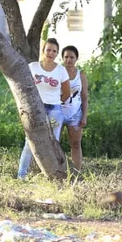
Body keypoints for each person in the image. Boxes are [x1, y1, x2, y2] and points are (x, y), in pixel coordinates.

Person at [17, 38, 70, 178]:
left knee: (53, 143)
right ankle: (21, 175)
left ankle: (54, 175)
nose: (51, 53)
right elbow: (23, 86)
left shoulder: (61, 70)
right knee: (30, 143)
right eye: (48, 50)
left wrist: (56, 102)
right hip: (35, 109)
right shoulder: (33, 67)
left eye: (54, 51)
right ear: (43, 50)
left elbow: (66, 93)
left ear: (57, 53)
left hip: (54, 110)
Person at [60, 45, 89, 172]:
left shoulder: (80, 74)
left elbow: (84, 97)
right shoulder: (57, 72)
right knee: (54, 143)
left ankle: (77, 171)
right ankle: (57, 170)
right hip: (58, 113)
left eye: (72, 57)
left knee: (76, 144)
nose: (69, 60)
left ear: (76, 58)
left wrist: (84, 116)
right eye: (66, 57)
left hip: (75, 115)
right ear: (62, 58)